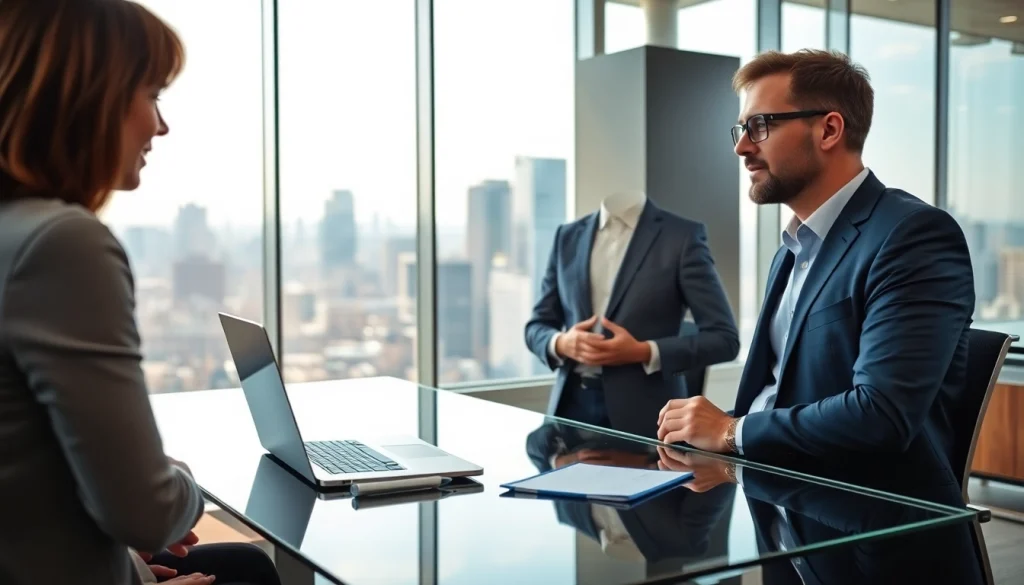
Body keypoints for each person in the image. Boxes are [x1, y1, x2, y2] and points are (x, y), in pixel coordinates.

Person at [655, 49, 982, 583]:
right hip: (790, 524)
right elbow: (784, 388)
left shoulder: (913, 236)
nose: (741, 147)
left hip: (879, 545)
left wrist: (734, 433)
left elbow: (882, 413)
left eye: (759, 126)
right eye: (740, 128)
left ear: (829, 129)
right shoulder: (791, 249)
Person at [0, 2, 279, 584]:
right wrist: (178, 483)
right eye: (151, 94)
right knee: (251, 572)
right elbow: (146, 510)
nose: (160, 125)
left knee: (241, 563)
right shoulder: (61, 244)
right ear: (90, 99)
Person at [524, 191, 739, 439]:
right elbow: (536, 327)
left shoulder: (681, 236)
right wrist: (561, 343)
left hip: (649, 418)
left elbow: (725, 339)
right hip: (569, 412)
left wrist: (643, 351)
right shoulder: (567, 236)